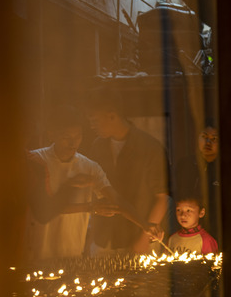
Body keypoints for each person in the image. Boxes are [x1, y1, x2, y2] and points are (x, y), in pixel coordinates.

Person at [26, 106, 126, 261]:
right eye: (66, 137)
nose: (73, 143)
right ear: (51, 134)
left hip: (72, 252)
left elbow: (114, 200)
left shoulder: (89, 167)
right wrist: (91, 207)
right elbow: (43, 209)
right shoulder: (37, 161)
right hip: (36, 252)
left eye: (78, 136)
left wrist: (145, 225)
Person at [85, 87, 170, 255]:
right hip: (103, 238)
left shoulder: (150, 148)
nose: (92, 126)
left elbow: (162, 197)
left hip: (137, 236)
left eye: (95, 120)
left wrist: (143, 240)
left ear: (112, 115)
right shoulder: (98, 146)